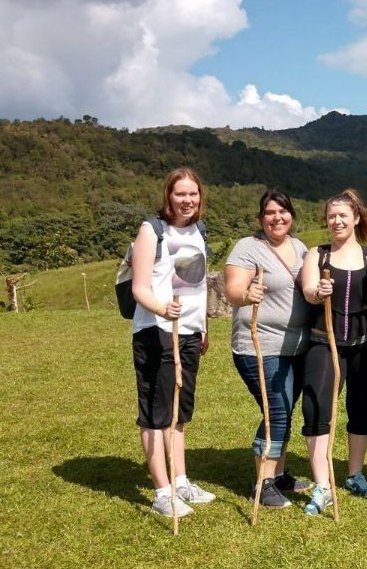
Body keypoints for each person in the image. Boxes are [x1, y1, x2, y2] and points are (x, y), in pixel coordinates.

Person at [129, 167, 214, 518]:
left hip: (190, 331)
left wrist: (203, 325)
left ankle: (180, 482)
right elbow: (139, 288)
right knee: (156, 414)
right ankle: (162, 493)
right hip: (156, 330)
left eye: (192, 194)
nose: (187, 200)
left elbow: (199, 284)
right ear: (169, 196)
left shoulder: (199, 230)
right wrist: (164, 309)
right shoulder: (152, 230)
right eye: (180, 194)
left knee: (179, 414)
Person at [223, 189, 312, 510]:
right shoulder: (248, 248)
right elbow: (232, 289)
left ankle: (280, 473)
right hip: (259, 346)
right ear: (261, 218)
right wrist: (247, 294)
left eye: (283, 212)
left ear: (291, 215)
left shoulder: (300, 248)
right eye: (270, 213)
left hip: (296, 347)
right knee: (276, 411)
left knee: (284, 410)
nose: (277, 218)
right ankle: (263, 482)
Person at [299, 189, 367, 515]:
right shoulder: (316, 255)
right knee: (316, 408)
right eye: (332, 216)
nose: (336, 221)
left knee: (361, 408)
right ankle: (323, 485)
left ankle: (354, 474)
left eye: (342, 216)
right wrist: (316, 291)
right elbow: (308, 290)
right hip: (324, 342)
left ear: (356, 219)